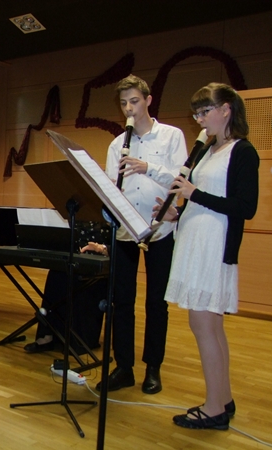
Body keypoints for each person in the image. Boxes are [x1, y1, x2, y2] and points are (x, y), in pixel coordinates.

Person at [154, 83, 259, 430]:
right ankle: (223, 399)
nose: (198, 119)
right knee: (210, 327)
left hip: (213, 248)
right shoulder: (208, 150)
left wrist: (193, 193)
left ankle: (213, 409)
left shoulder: (243, 151)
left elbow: (245, 207)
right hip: (195, 242)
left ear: (226, 109)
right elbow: (201, 202)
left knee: (204, 326)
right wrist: (176, 213)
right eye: (196, 113)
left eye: (204, 111)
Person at [99, 75, 188, 394]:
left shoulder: (172, 136)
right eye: (124, 103)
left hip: (160, 229)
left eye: (134, 101)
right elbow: (111, 186)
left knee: (156, 303)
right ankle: (124, 367)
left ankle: (153, 368)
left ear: (148, 101)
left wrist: (146, 167)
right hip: (126, 230)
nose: (129, 108)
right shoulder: (116, 144)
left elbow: (180, 181)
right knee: (121, 300)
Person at [24, 222, 109, 355]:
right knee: (56, 275)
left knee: (79, 279)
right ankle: (48, 335)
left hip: (100, 257)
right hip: (75, 253)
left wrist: (102, 248)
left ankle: (78, 340)